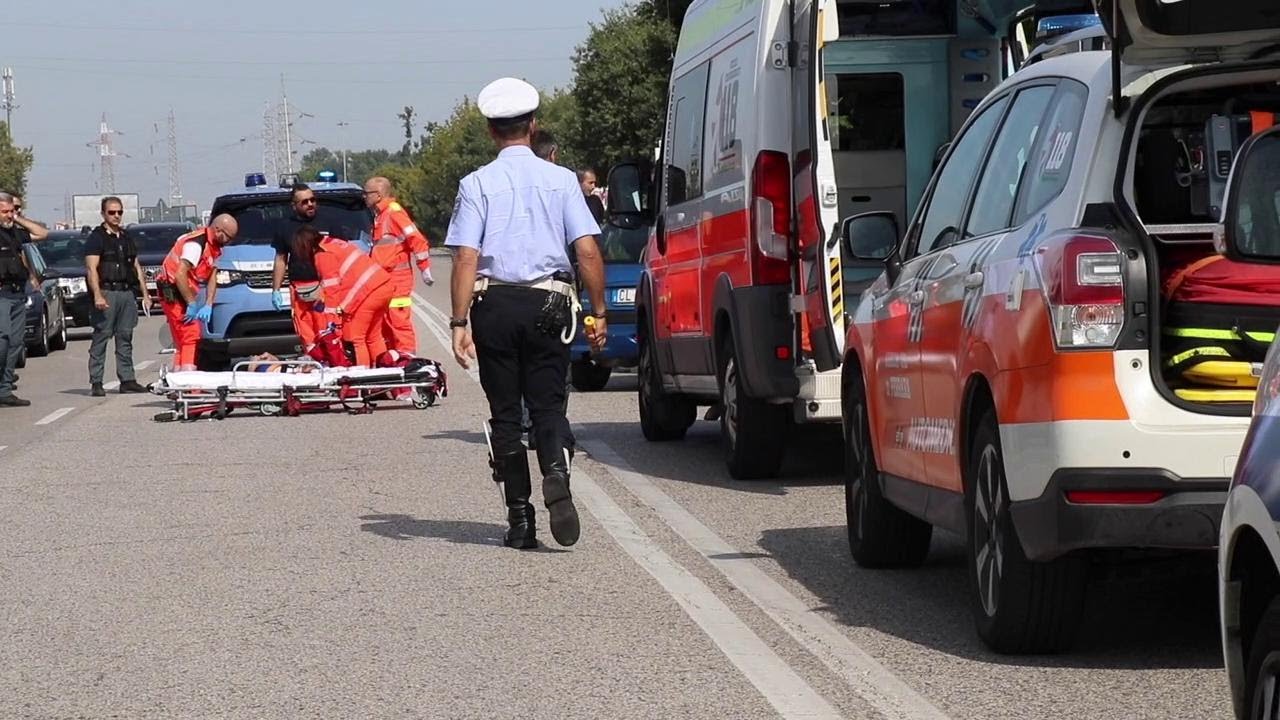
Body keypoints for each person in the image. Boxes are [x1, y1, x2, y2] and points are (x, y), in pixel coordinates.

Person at [446, 77, 608, 550]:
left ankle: (520, 521)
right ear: (533, 126)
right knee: (548, 403)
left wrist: (458, 323)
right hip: (550, 303)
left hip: (494, 304)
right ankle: (556, 470)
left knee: (504, 414)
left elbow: (464, 257)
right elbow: (588, 251)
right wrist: (598, 312)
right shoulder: (561, 180)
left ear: (491, 132)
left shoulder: (476, 183)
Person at [290, 226, 393, 368]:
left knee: (356, 339)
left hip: (368, 292)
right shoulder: (333, 242)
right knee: (373, 337)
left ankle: (361, 381)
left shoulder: (322, 254)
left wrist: (332, 322)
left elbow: (332, 291)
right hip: (382, 285)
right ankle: (386, 376)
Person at [154, 215, 238, 371]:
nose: (228, 242)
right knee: (191, 336)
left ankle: (178, 380)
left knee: (181, 341)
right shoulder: (196, 245)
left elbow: (213, 276)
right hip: (174, 294)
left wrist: (209, 304)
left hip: (181, 294)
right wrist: (192, 303)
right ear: (218, 230)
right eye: (228, 237)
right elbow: (180, 275)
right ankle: (189, 383)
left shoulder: (213, 247)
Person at [85, 196, 150, 397]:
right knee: (102, 336)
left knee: (125, 336)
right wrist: (97, 295)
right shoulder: (96, 238)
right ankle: (96, 381)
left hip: (126, 293)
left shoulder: (126, 237)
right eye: (112, 212)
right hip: (107, 292)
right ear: (103, 214)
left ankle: (127, 379)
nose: (116, 216)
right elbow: (91, 269)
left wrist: (145, 294)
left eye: (119, 212)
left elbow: (136, 266)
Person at [363, 176, 432, 356]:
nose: (364, 197)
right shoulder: (380, 216)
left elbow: (416, 238)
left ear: (377, 195)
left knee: (399, 322)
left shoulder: (394, 213)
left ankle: (408, 360)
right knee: (386, 323)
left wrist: (424, 267)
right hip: (385, 280)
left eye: (367, 193)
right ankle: (395, 359)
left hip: (398, 280)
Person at [271, 183, 337, 353]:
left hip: (325, 287)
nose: (310, 204)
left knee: (327, 328)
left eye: (312, 200)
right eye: (304, 202)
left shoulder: (328, 221)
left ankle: (333, 361)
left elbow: (340, 252)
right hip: (299, 288)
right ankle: (315, 361)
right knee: (306, 332)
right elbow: (280, 259)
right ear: (294, 206)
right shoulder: (285, 227)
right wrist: (276, 290)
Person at [0, 192, 39, 407]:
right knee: (2, 339)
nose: (9, 215)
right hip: (1, 294)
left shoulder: (15, 233)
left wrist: (17, 219)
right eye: (4, 212)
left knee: (15, 342)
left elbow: (42, 233)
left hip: (17, 293)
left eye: (11, 211)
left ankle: (5, 390)